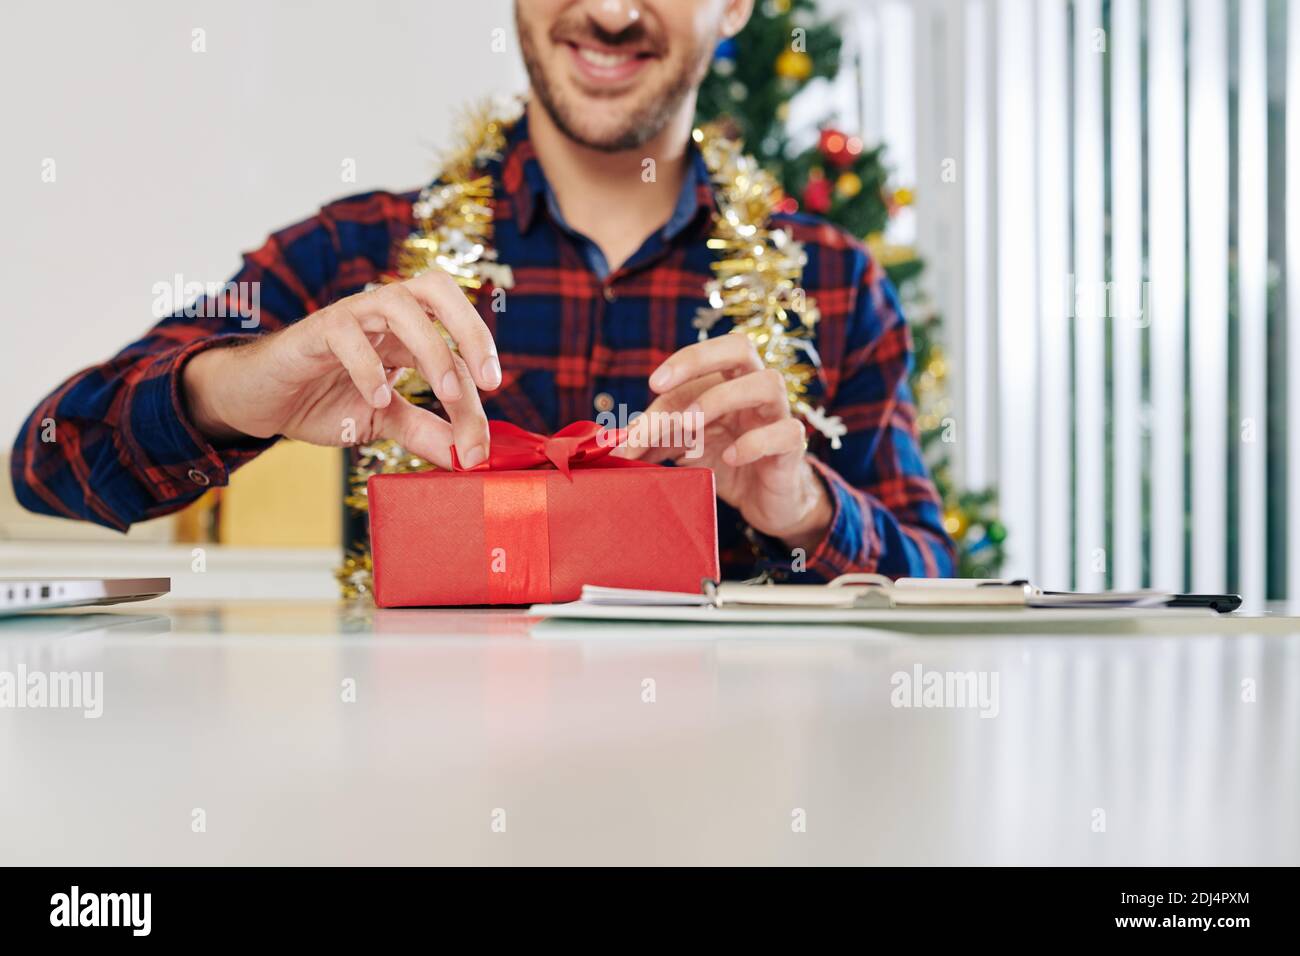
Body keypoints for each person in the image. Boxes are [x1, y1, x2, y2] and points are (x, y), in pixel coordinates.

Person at [10, 0, 954, 581]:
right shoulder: (356, 255)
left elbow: (936, 581)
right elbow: (48, 463)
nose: (614, 8)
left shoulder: (832, 286)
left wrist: (806, 512)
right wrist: (234, 392)